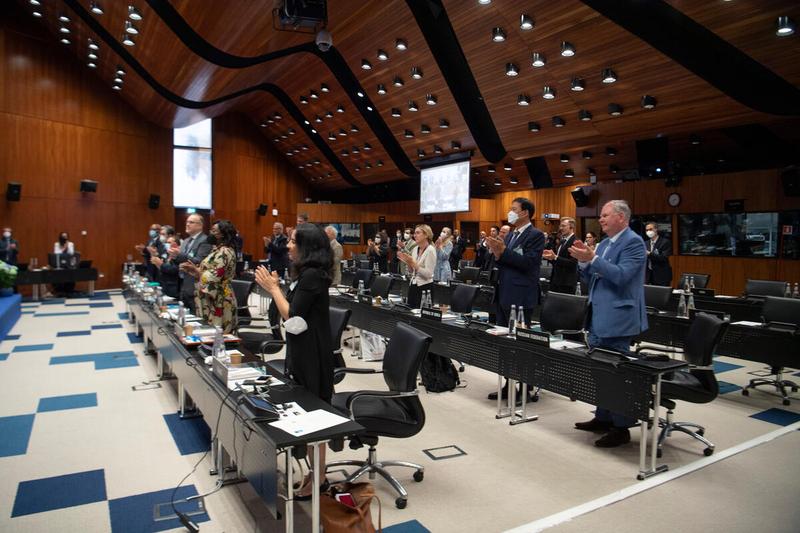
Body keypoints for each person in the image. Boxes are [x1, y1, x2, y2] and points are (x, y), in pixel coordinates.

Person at [254, 224, 334, 499]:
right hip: (304, 349)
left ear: (306, 247)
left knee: (315, 416)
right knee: (309, 413)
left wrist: (273, 288)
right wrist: (278, 288)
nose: (287, 246)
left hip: (313, 355)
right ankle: (316, 474)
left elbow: (292, 315)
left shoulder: (312, 275)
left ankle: (319, 478)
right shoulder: (306, 273)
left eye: (292, 241)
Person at [569, 200, 648, 447]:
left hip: (618, 318)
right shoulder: (604, 244)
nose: (601, 219)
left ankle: (621, 427)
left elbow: (622, 276)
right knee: (600, 372)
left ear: (621, 217)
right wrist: (584, 261)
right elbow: (592, 276)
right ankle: (603, 417)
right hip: (597, 315)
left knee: (616, 375)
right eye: (601, 216)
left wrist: (593, 259)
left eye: (605, 215)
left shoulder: (634, 242)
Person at [485, 199, 544, 401]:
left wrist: (503, 251)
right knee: (505, 343)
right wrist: (496, 253)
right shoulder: (510, 234)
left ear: (525, 213)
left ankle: (525, 387)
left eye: (513, 209)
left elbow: (528, 263)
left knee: (520, 344)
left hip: (521, 295)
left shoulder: (535, 235)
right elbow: (504, 261)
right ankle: (509, 384)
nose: (510, 212)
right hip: (504, 291)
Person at [180, 220, 239, 333]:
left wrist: (197, 272)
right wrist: (196, 271)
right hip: (212, 296)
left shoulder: (225, 252)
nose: (211, 233)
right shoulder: (217, 250)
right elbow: (208, 271)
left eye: (214, 231)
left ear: (222, 234)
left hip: (220, 297)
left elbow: (214, 276)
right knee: (209, 332)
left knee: (218, 333)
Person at [169, 214, 211, 314]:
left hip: (194, 286)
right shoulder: (186, 241)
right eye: (187, 222)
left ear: (200, 225)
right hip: (182, 285)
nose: (187, 224)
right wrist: (174, 257)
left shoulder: (205, 240)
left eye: (191, 222)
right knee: (183, 316)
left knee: (195, 317)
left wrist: (179, 254)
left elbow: (199, 261)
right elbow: (180, 260)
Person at [397, 224, 437, 308]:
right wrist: (408, 262)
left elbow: (428, 274)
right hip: (413, 285)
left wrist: (413, 263)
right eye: (414, 233)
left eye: (418, 233)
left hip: (425, 287)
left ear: (426, 235)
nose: (414, 235)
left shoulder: (430, 250)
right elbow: (412, 271)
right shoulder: (415, 249)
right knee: (410, 311)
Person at [542, 217, 578, 294]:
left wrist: (555, 257)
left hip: (567, 282)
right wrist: (550, 257)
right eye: (560, 226)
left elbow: (572, 263)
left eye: (563, 226)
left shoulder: (575, 241)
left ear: (571, 227)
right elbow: (557, 260)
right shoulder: (562, 241)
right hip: (556, 280)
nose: (560, 228)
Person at [645, 222, 673, 286]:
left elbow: (663, 257)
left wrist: (649, 254)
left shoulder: (665, 242)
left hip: (662, 275)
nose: (648, 231)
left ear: (656, 229)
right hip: (649, 276)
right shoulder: (645, 243)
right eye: (647, 230)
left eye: (650, 229)